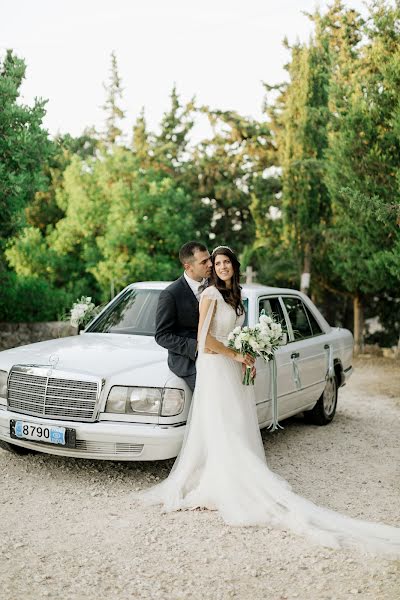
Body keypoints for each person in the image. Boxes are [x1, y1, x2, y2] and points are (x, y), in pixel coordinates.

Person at [137, 245, 400, 558]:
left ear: (233, 265)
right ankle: (218, 481)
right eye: (213, 262)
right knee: (220, 421)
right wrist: (236, 353)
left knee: (235, 420)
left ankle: (229, 473)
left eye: (223, 262)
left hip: (232, 365)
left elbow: (235, 332)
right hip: (215, 366)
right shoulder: (207, 296)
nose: (217, 266)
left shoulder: (237, 296)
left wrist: (249, 351)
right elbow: (204, 339)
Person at [155, 241, 212, 392]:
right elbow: (162, 336)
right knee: (210, 392)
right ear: (188, 266)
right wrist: (196, 347)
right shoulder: (171, 294)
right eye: (204, 262)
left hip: (218, 353)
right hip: (188, 361)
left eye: (210, 259)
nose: (211, 264)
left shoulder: (215, 285)